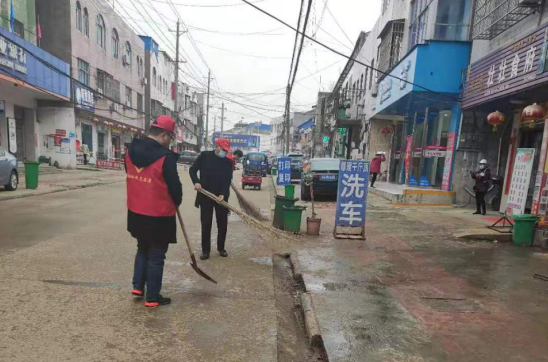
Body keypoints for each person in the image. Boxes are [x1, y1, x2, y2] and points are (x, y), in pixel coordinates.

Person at [126, 115, 182, 308]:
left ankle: (138, 287)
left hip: (135, 211)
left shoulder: (130, 150)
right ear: (165, 136)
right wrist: (177, 200)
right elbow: (175, 188)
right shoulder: (165, 158)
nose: (170, 143)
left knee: (142, 248)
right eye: (171, 138)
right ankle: (152, 297)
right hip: (159, 215)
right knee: (156, 255)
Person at [189, 138, 233, 260]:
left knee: (222, 224)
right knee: (206, 223)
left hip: (221, 197)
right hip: (205, 195)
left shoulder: (228, 163)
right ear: (217, 147)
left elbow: (227, 180)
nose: (225, 152)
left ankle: (221, 248)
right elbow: (192, 170)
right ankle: (205, 251)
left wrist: (223, 193)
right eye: (223, 150)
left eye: (227, 151)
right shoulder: (204, 156)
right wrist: (196, 182)